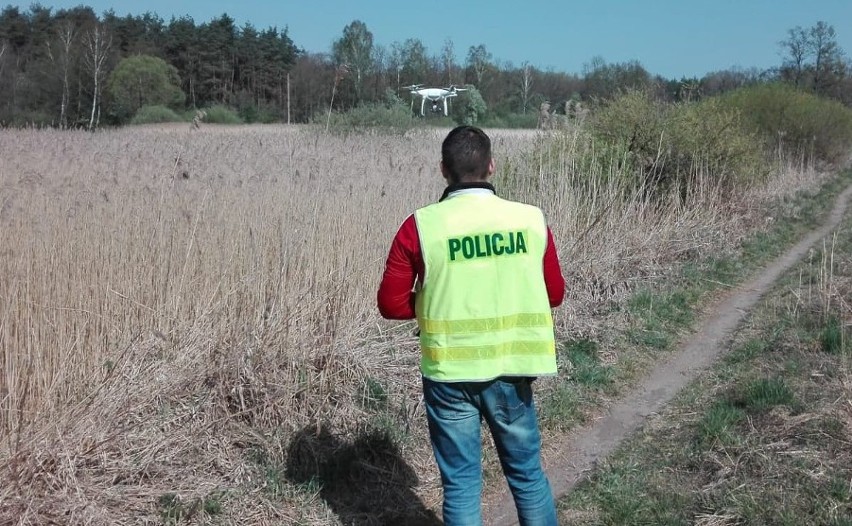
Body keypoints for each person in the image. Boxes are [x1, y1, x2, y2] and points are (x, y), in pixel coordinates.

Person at [377, 125, 565, 525]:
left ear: (444, 170)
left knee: (461, 485)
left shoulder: (420, 227)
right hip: (513, 369)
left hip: (450, 374)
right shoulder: (530, 220)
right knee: (527, 477)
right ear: (492, 166)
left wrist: (436, 301)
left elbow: (391, 305)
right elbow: (554, 293)